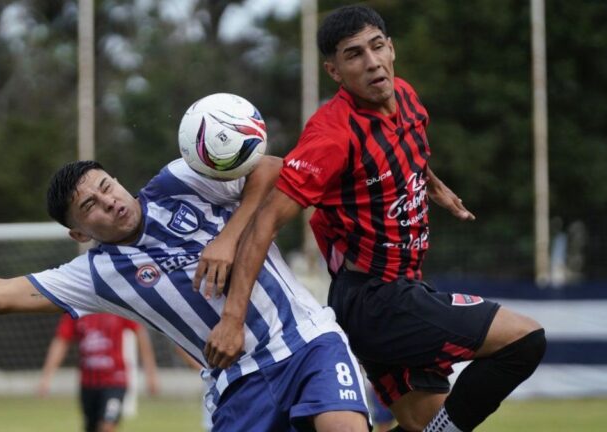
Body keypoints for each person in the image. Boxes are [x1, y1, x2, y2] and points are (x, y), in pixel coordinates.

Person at [205, 6, 546, 432]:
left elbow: (406, 156)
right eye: (353, 55)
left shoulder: (404, 97)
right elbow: (266, 223)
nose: (371, 63)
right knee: (525, 340)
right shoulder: (331, 136)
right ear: (334, 71)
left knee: (427, 423)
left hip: (401, 289)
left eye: (377, 46)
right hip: (375, 300)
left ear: (392, 49)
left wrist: (432, 185)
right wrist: (232, 319)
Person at [0, 155, 371, 432]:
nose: (109, 201)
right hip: (239, 384)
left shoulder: (180, 181)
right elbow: (0, 294)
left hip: (307, 342)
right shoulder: (99, 274)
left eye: (107, 186)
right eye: (91, 206)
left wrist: (228, 234)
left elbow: (270, 168)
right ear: (79, 234)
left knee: (342, 426)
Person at [37, 313, 159, 432]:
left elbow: (140, 332)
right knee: (93, 427)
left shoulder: (114, 307)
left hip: (115, 382)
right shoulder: (76, 310)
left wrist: (151, 374)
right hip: (88, 384)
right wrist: (46, 377)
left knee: (107, 426)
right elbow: (62, 341)